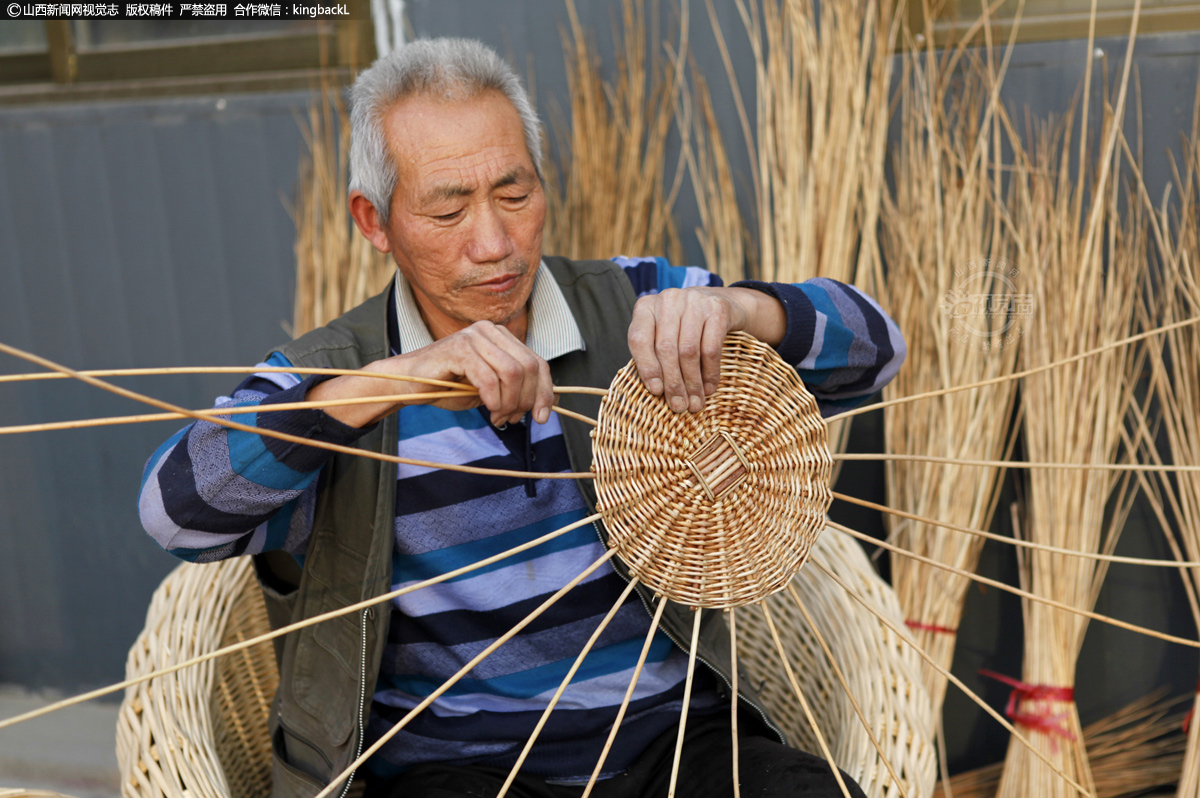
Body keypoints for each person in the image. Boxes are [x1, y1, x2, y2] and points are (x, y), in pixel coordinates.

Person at [139, 38, 905, 798]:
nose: (496, 244)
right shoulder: (333, 375)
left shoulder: (633, 310)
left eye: (515, 194)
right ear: (374, 222)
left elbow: (879, 351)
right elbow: (174, 512)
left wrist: (742, 310)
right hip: (454, 769)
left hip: (672, 741)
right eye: (447, 209)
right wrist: (390, 384)